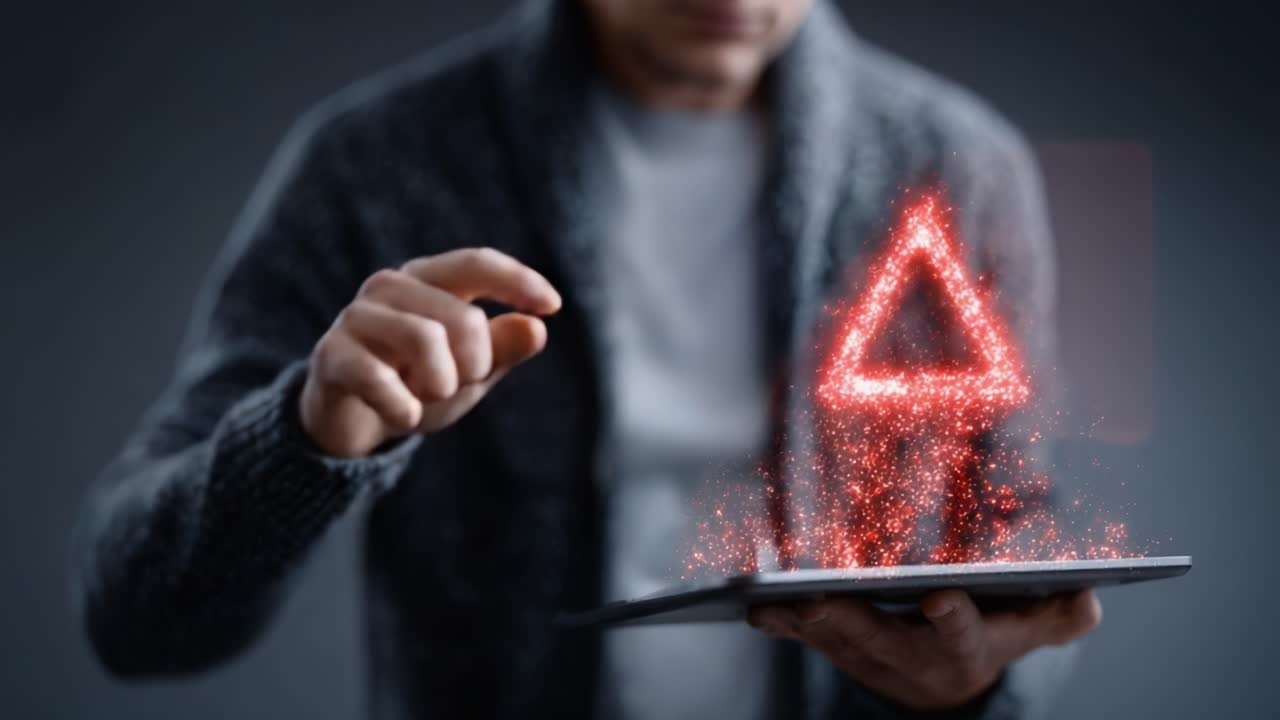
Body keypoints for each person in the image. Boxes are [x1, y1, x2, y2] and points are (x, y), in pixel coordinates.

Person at [73, 0, 1101, 717]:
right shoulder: (376, 165)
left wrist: (974, 687)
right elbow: (136, 617)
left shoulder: (955, 164)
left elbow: (1020, 516)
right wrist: (305, 438)